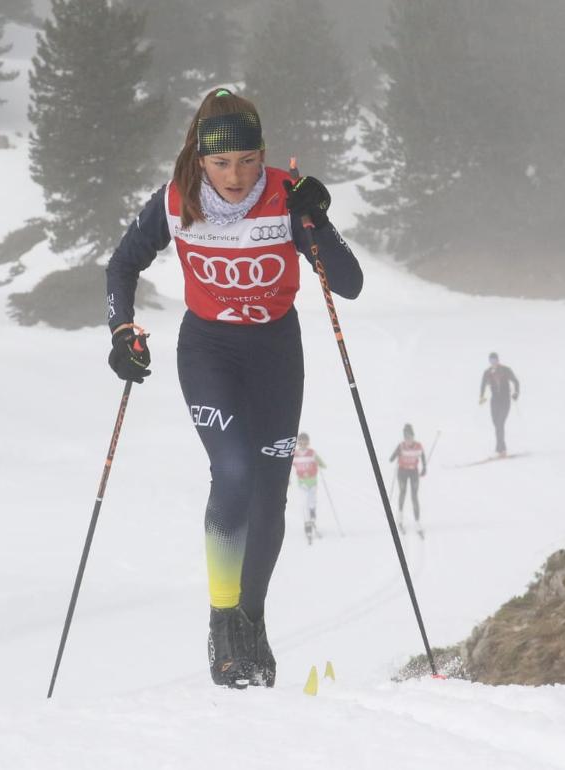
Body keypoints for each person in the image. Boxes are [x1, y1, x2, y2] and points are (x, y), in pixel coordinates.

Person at [104, 88, 363, 689]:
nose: (235, 176)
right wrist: (122, 328)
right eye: (221, 163)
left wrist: (317, 220)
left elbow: (347, 284)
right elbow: (122, 265)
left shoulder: (285, 198)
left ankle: (252, 619)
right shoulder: (176, 201)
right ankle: (223, 623)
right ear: (200, 161)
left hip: (276, 354)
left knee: (270, 494)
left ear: (263, 155)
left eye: (248, 161)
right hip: (209, 352)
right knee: (235, 472)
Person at [479, 352, 520, 457]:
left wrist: (516, 393)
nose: (493, 362)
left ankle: (502, 450)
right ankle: (500, 449)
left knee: (500, 423)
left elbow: (516, 381)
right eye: (491, 360)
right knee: (496, 424)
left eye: (494, 360)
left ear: (498, 360)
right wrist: (481, 397)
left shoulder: (506, 370)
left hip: (505, 400)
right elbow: (483, 385)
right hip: (494, 402)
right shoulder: (487, 372)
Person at [388, 423, 427, 534]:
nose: (408, 439)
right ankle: (399, 518)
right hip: (402, 472)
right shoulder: (401, 446)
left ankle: (417, 522)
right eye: (406, 437)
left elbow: (423, 457)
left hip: (413, 472)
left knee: (414, 496)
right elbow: (391, 458)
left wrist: (424, 468)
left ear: (413, 436)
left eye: (409, 437)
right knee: (403, 493)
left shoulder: (418, 446)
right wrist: (396, 454)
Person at [291, 432, 326, 544]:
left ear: (308, 442)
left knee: (311, 503)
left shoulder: (312, 453)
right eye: (300, 442)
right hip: (302, 484)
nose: (303, 444)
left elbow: (322, 465)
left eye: (305, 442)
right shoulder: (294, 455)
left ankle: (312, 518)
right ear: (298, 443)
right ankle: (307, 526)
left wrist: (318, 463)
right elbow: (287, 467)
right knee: (304, 504)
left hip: (313, 483)